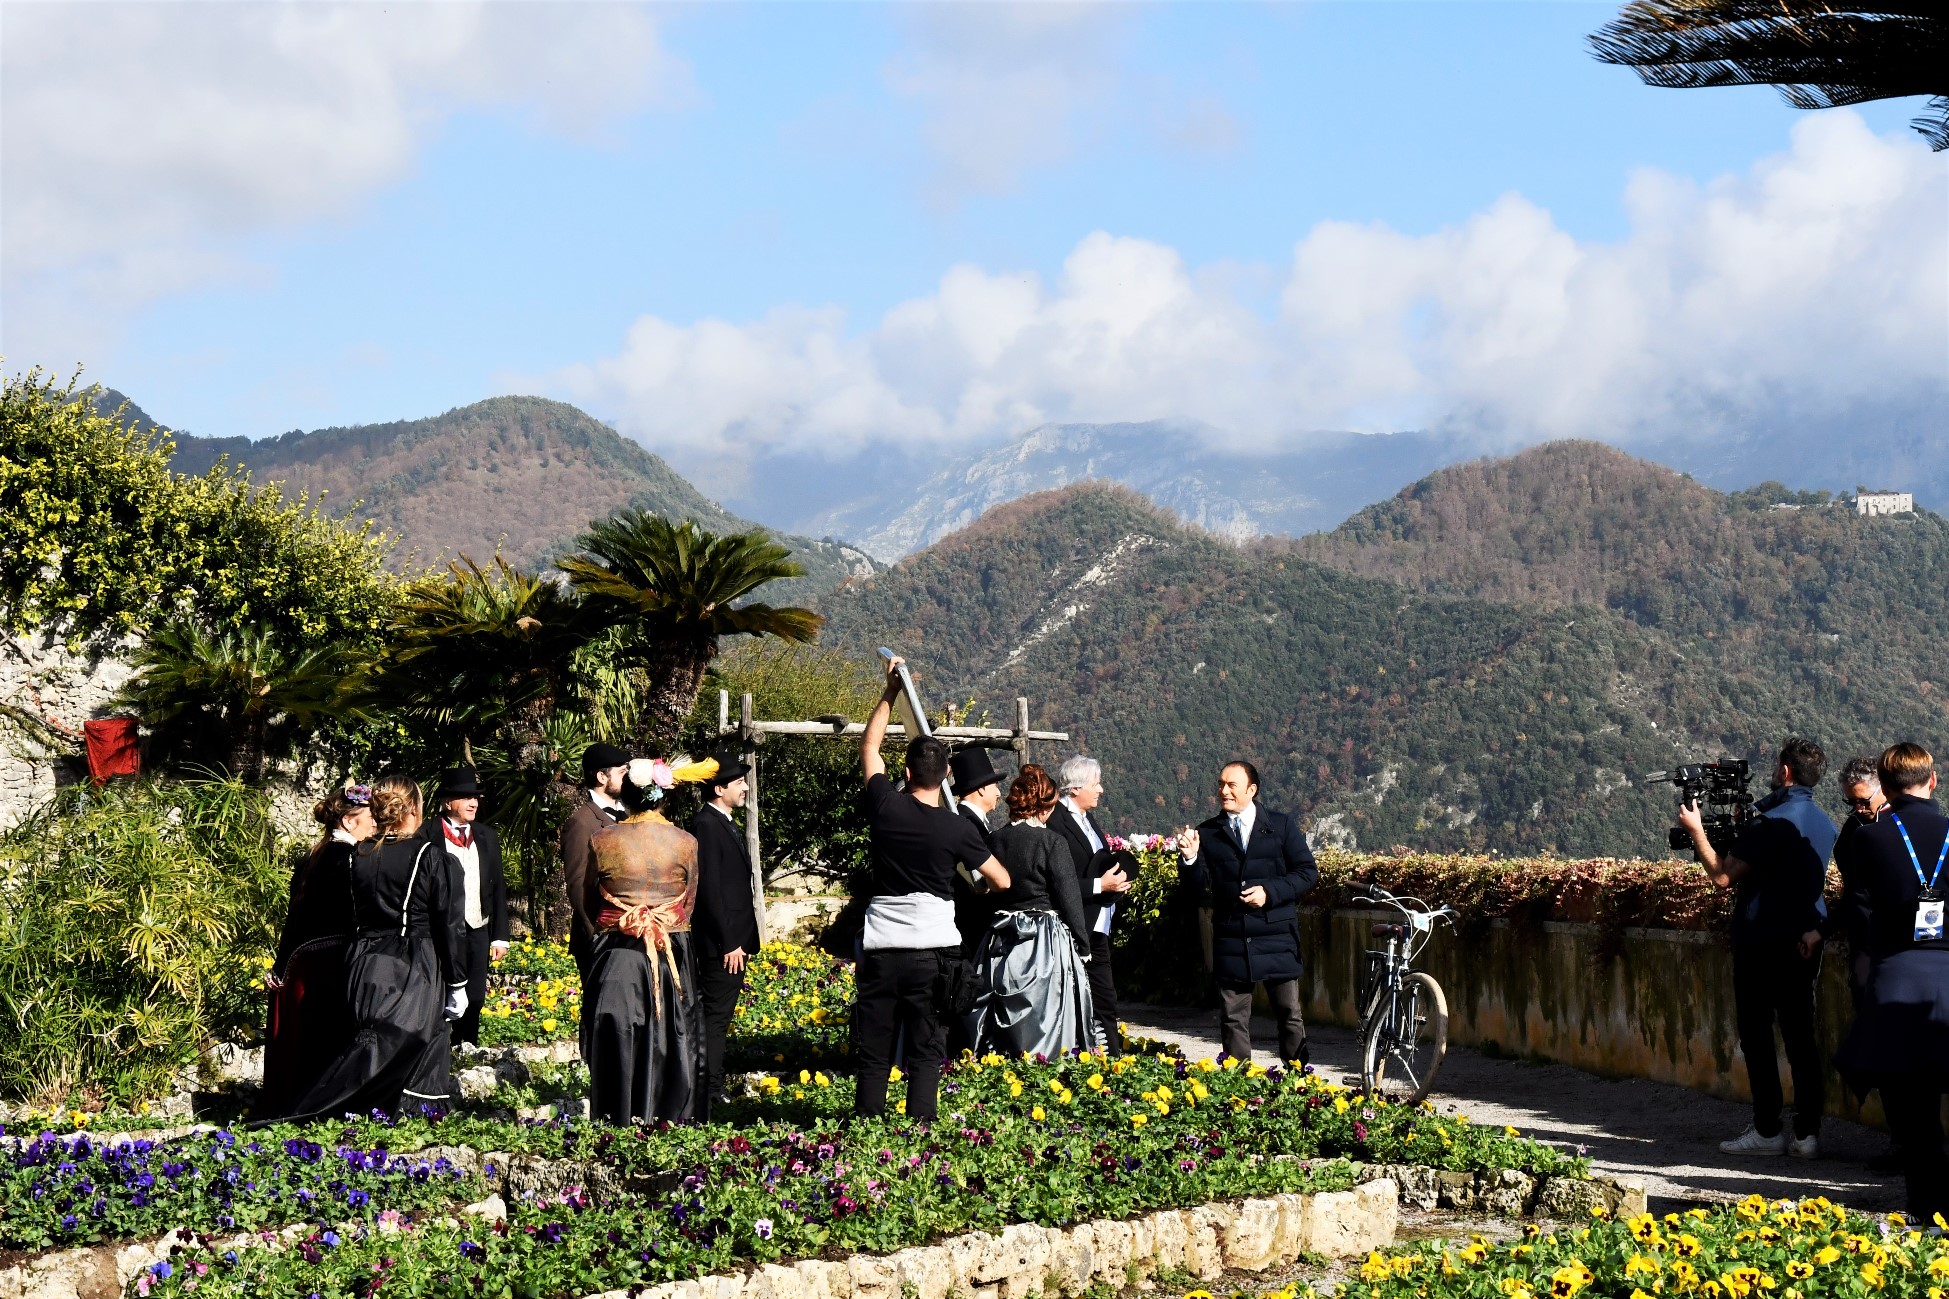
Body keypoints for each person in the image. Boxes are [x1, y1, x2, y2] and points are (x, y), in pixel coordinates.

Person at [854, 655, 1010, 1122]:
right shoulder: (955, 828)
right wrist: (977, 890)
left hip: (882, 947)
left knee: (875, 1044)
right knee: (927, 1045)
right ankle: (921, 1125)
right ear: (945, 778)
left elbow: (869, 745)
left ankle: (867, 1124)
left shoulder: (884, 806)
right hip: (934, 951)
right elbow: (1001, 879)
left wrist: (890, 692)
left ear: (904, 773)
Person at [1678, 736, 1836, 1158]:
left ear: (1785, 772)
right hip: (1804, 940)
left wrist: (1697, 833)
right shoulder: (1824, 822)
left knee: (1758, 1036)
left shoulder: (1770, 824)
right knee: (1801, 1037)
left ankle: (1767, 1130)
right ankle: (1807, 1134)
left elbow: (1723, 876)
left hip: (1761, 943)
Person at [288, 774, 468, 1119]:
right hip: (413, 962)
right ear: (413, 809)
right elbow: (449, 925)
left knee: (370, 1038)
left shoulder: (357, 854)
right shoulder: (430, 856)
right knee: (414, 1038)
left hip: (361, 962)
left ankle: (362, 1109)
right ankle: (403, 1112)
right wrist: (458, 982)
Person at [1834, 743, 1949, 1220]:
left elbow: (1861, 909)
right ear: (1933, 780)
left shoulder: (1869, 839)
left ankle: (1927, 1208)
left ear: (1884, 783)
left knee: (1912, 1110)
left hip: (1897, 977)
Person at [580, 754, 715, 1124]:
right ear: (663, 795)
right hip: (671, 949)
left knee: (619, 1036)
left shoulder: (602, 839)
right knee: (673, 1037)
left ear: (627, 794)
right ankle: (672, 1117)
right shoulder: (685, 842)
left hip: (617, 951)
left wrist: (625, 916)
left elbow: (593, 901)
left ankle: (616, 1119)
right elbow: (688, 901)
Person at [1176, 761, 1318, 1066]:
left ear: (1252, 790)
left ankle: (1298, 1082)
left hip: (1277, 936)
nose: (1223, 791)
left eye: (1231, 785)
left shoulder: (1280, 826)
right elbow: (1197, 888)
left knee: (1289, 1015)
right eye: (1220, 784)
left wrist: (1270, 892)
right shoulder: (1208, 833)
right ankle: (1240, 1089)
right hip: (1232, 938)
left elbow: (1307, 872)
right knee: (1232, 1018)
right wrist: (1189, 859)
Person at [966, 764, 1100, 1058]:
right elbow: (1069, 897)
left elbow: (986, 892)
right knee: (1045, 1011)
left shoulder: (994, 840)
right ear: (1043, 806)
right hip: (1043, 941)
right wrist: (1082, 942)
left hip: (1000, 940)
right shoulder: (1051, 842)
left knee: (998, 1011)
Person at [257, 783, 371, 1118]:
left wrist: (281, 965)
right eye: (369, 819)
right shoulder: (351, 860)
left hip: (302, 962)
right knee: (326, 1039)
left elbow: (294, 918)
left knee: (303, 1042)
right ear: (349, 822)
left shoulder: (313, 856)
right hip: (330, 964)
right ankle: (321, 1109)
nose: (375, 825)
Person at [1807, 756, 1897, 1172]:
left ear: (1884, 789)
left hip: (1901, 948)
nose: (1859, 811)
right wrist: (1821, 930)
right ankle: (1899, 1137)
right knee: (1880, 1044)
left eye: (1863, 802)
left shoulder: (1902, 826)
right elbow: (1850, 895)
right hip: (1866, 948)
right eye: (1851, 805)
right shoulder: (1854, 830)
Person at [689, 754, 760, 1120]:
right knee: (714, 1020)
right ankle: (708, 1092)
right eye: (739, 783)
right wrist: (728, 941)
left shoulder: (721, 822)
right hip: (723, 946)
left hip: (733, 942)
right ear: (719, 789)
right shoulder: (706, 825)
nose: (746, 788)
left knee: (718, 1018)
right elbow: (710, 891)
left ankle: (709, 1089)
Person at [1050, 756, 1133, 1054]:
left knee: (1104, 996)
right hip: (1075, 924)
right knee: (1079, 996)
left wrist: (1117, 881)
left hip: (1097, 923)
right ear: (1075, 789)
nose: (1100, 789)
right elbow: (1059, 880)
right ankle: (1086, 1054)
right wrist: (1100, 886)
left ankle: (1110, 1055)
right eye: (1094, 784)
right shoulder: (1056, 823)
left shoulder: (1087, 819)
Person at [431, 767, 509, 1047]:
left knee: (475, 996)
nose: (474, 803)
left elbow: (497, 886)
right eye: (466, 797)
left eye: (475, 797)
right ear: (447, 802)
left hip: (477, 926)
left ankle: (467, 1048)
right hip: (440, 931)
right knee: (440, 993)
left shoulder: (487, 835)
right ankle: (438, 1051)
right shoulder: (427, 834)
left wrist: (500, 935)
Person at [944, 747, 1005, 1057]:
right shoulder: (968, 824)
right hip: (972, 926)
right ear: (981, 788)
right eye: (994, 784)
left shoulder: (969, 821)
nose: (998, 791)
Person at [562, 742, 631, 980]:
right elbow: (578, 884)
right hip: (600, 937)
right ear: (602, 776)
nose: (628, 778)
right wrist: (598, 934)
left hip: (630, 935)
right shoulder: (581, 821)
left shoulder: (631, 815)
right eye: (622, 773)